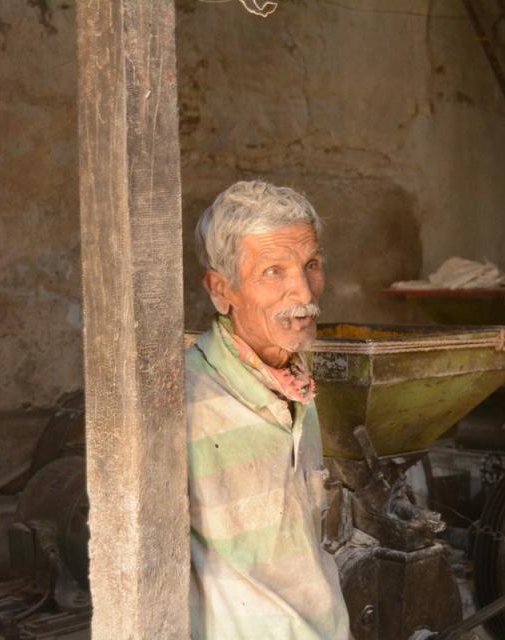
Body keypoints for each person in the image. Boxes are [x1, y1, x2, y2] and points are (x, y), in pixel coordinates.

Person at [185, 181, 350, 639]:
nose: (303, 291)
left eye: (310, 265)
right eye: (273, 271)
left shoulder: (297, 383)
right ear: (222, 290)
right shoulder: (186, 400)